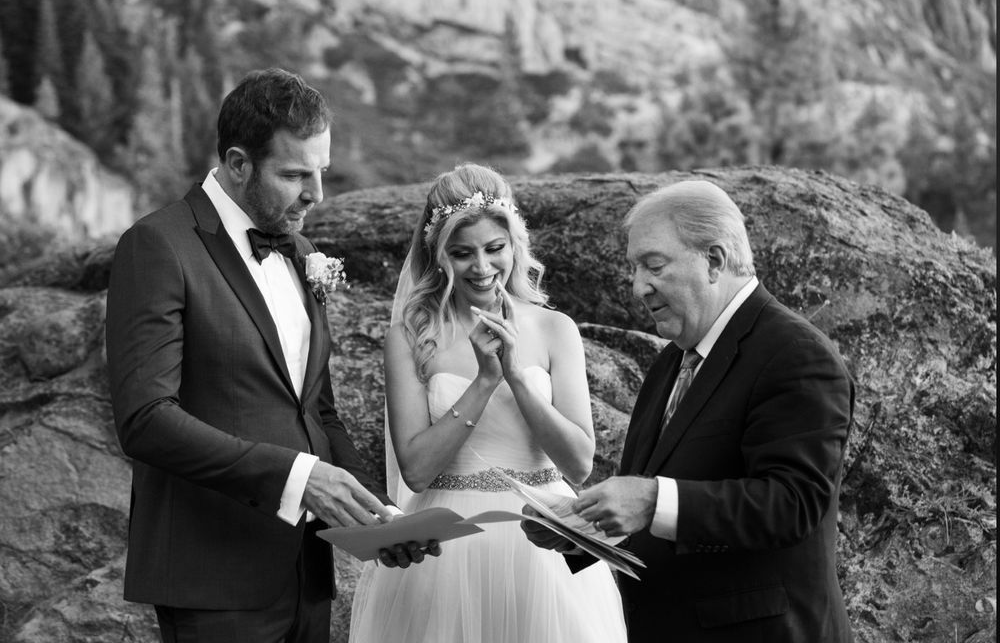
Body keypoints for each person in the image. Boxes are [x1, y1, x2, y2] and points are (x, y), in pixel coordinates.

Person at [106, 68, 434, 643]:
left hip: (306, 576)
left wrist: (377, 516)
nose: (316, 194)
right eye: (294, 174)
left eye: (322, 172)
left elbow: (318, 412)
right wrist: (299, 478)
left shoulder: (302, 251)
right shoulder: (158, 245)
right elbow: (145, 420)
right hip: (212, 578)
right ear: (237, 164)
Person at [524, 180, 855, 642]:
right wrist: (582, 530)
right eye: (634, 268)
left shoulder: (796, 353)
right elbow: (654, 501)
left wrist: (652, 500)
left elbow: (792, 504)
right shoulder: (672, 361)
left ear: (714, 260)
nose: (638, 286)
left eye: (653, 265)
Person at [348, 163, 627, 642]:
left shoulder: (555, 329)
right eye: (462, 253)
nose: (481, 267)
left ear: (514, 244)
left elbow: (579, 464)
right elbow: (415, 470)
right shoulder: (412, 336)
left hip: (544, 544)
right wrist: (484, 380)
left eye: (494, 248)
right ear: (439, 256)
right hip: (448, 548)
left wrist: (516, 376)